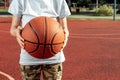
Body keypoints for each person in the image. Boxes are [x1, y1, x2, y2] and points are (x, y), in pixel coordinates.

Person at [8, 0, 71, 80]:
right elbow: (13, 29)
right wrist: (17, 32)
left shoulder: (59, 1)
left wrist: (65, 36)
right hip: (29, 57)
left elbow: (65, 28)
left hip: (53, 56)